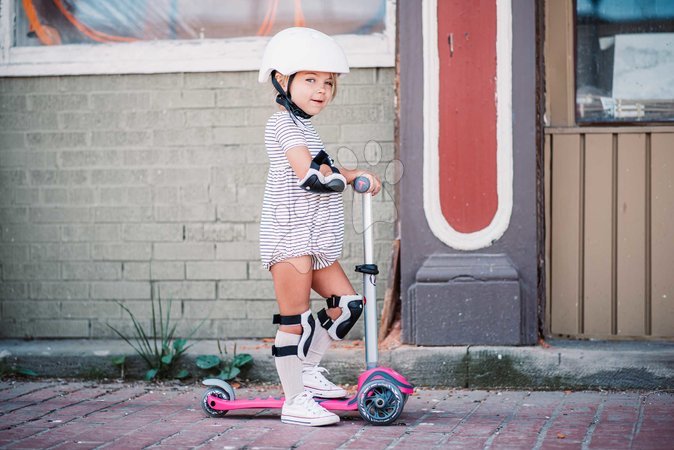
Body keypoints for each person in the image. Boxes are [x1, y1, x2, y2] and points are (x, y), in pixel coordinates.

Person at [257, 27, 381, 427]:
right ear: (282, 80)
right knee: (293, 322)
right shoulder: (281, 125)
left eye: (328, 82)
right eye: (310, 80)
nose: (322, 89)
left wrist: (354, 172)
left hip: (314, 240)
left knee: (348, 305)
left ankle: (307, 373)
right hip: (289, 237)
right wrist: (337, 177)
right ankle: (294, 400)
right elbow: (309, 173)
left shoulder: (306, 127)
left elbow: (327, 169)